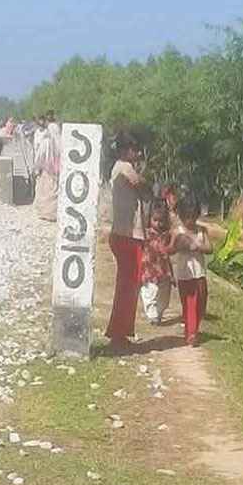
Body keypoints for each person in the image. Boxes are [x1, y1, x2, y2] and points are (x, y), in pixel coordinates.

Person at [105, 132, 151, 351]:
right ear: (125, 150)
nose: (138, 153)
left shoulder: (118, 168)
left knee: (127, 285)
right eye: (134, 149)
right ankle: (119, 332)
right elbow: (144, 188)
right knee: (128, 286)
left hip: (124, 233)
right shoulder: (125, 168)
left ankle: (120, 331)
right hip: (128, 235)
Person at [173, 195, 213, 347]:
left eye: (192, 217)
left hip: (199, 273)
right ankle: (191, 333)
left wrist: (197, 247)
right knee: (189, 304)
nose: (190, 221)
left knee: (200, 304)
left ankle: (192, 328)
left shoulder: (202, 230)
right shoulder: (178, 231)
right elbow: (172, 248)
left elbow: (209, 248)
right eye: (186, 217)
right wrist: (182, 244)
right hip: (185, 274)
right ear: (181, 216)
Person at [140, 203, 175, 325]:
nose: (158, 224)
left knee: (164, 295)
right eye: (155, 220)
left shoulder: (167, 236)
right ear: (150, 219)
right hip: (149, 269)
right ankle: (152, 315)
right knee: (149, 292)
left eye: (161, 221)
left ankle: (159, 312)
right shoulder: (145, 234)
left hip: (163, 269)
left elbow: (168, 255)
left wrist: (172, 274)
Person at [33, 112, 61, 221]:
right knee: (54, 190)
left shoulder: (46, 141)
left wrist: (36, 168)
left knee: (45, 190)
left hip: (46, 169)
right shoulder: (61, 142)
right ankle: (54, 212)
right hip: (56, 169)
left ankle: (45, 213)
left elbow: (40, 156)